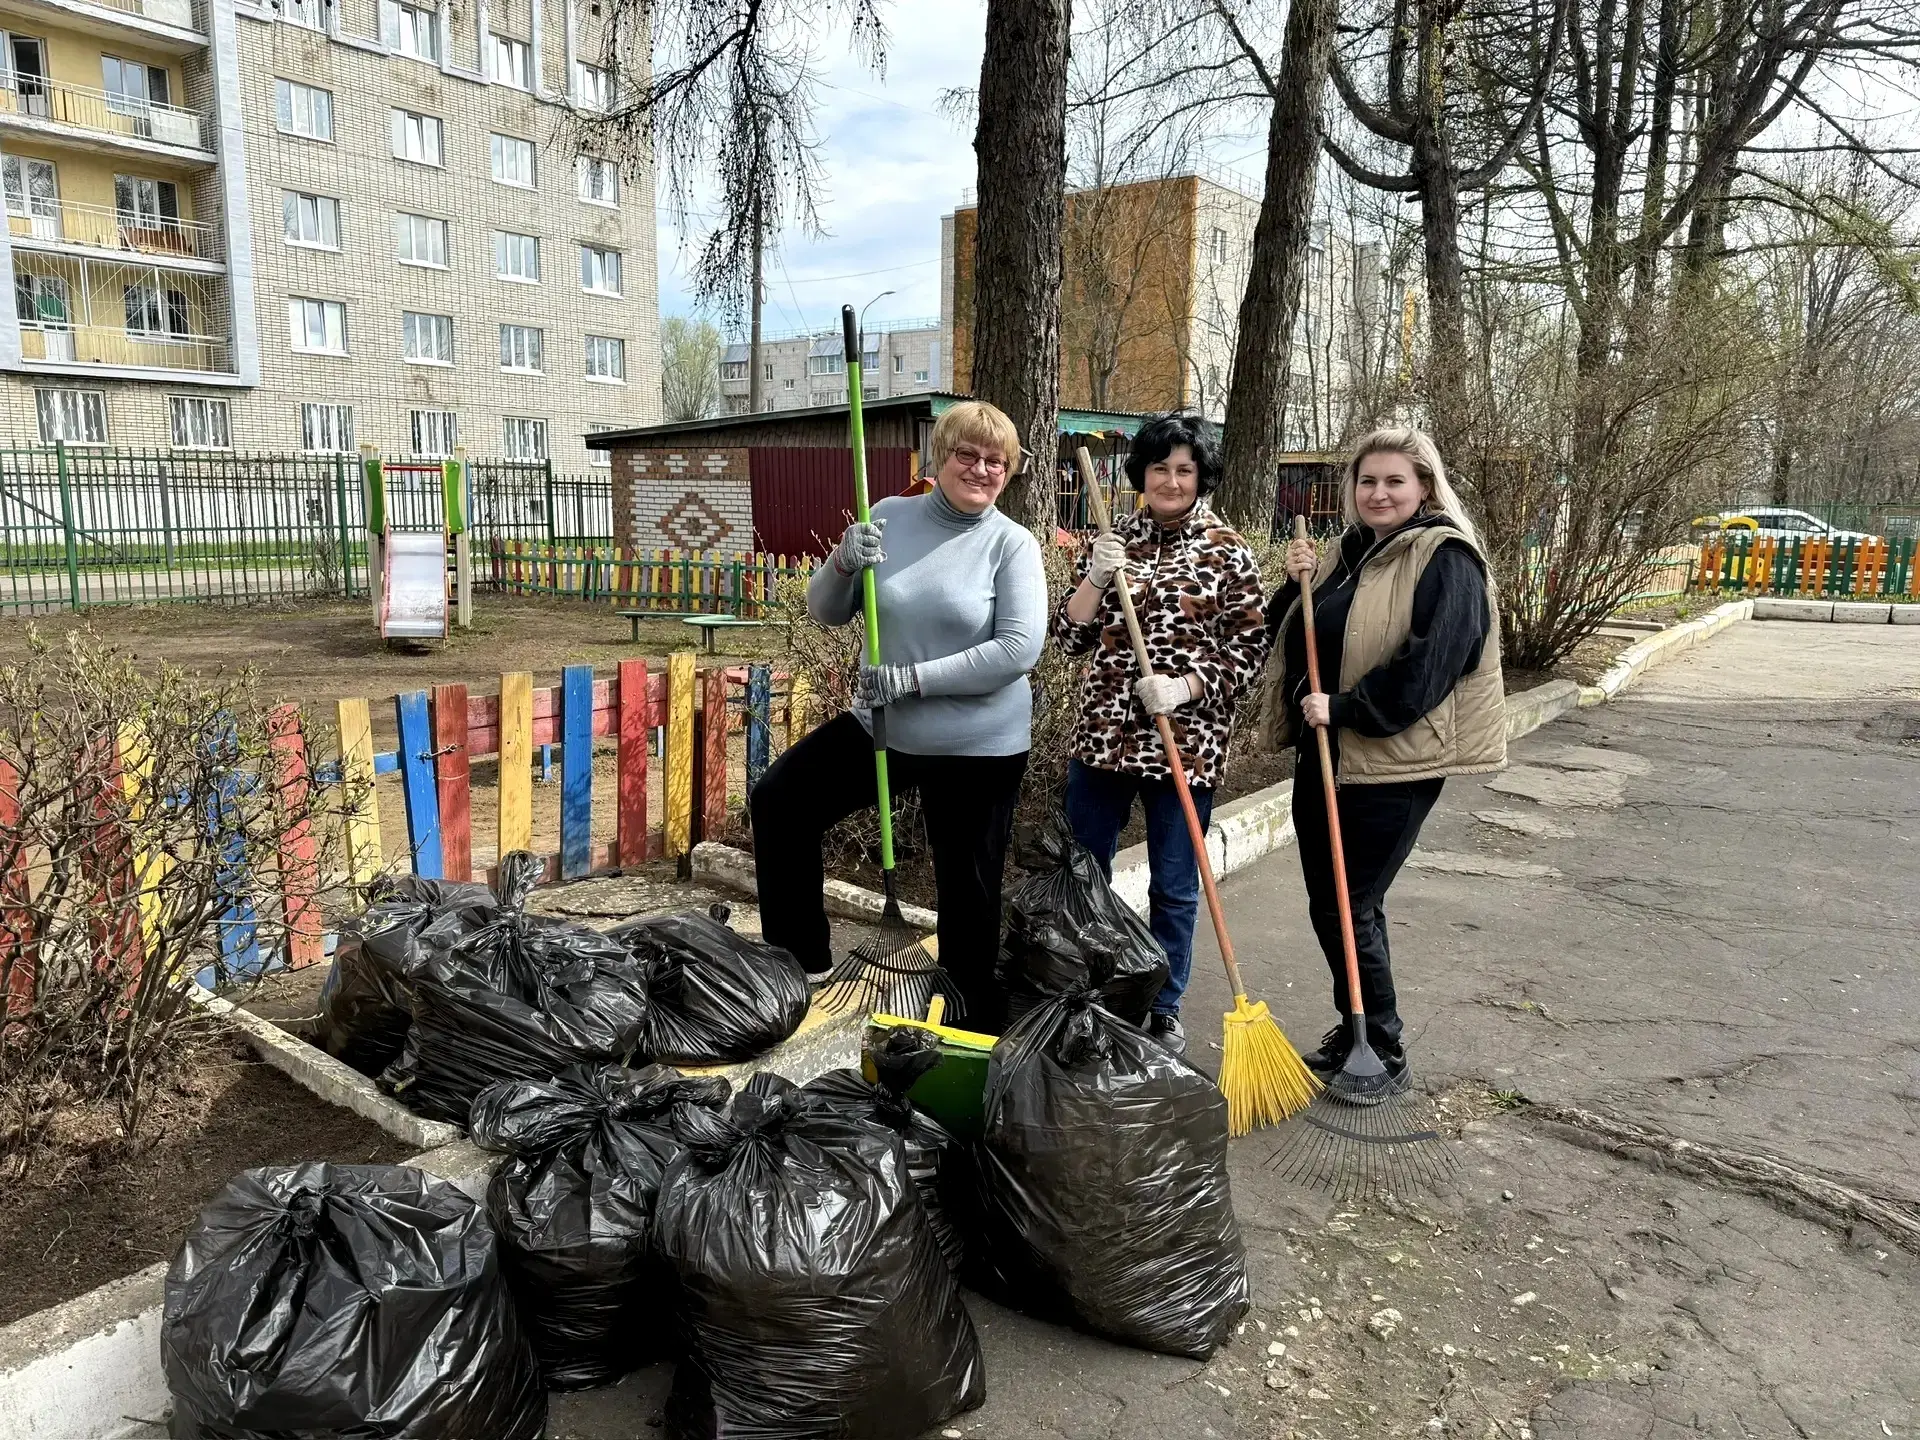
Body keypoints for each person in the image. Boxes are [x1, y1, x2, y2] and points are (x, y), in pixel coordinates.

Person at [749, 400, 1046, 1030]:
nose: (981, 469)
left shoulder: (1011, 545)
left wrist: (914, 679)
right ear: (940, 457)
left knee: (967, 885)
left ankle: (967, 1019)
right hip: (884, 725)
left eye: (996, 461)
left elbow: (1018, 650)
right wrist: (842, 562)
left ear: (1009, 472)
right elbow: (827, 611)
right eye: (967, 454)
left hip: (978, 745)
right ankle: (799, 962)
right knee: (781, 801)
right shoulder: (888, 516)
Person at [1258, 426, 1505, 1092]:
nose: (1379, 493)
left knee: (1354, 901)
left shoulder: (1446, 559)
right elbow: (1289, 632)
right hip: (1325, 755)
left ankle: (1384, 1048)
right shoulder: (1349, 552)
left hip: (1393, 762)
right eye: (1367, 480)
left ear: (1425, 486)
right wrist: (1294, 583)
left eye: (1396, 480)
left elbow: (1431, 668)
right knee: (1330, 902)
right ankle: (1355, 1028)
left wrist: (1345, 708)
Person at [1050, 413, 1268, 1054]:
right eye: (1159, 468)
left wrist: (1186, 686)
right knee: (1083, 875)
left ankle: (1164, 1007)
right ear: (1141, 474)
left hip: (1185, 745)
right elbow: (1068, 638)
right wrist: (1094, 577)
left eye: (1184, 470)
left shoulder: (1227, 550)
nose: (1171, 481)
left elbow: (1251, 648)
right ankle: (1084, 994)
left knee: (1173, 885)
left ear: (1201, 477)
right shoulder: (1115, 540)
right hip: (1103, 739)